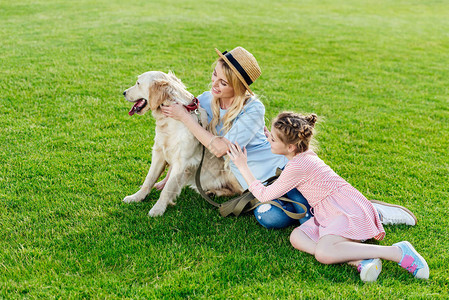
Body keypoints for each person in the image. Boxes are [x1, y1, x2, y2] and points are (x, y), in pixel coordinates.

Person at [160, 46, 416, 229]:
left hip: (280, 173)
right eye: (215, 75)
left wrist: (184, 116)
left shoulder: (253, 108)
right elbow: (194, 142)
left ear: (238, 88)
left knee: (311, 209)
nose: (214, 84)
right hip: (256, 186)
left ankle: (370, 211)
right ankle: (337, 212)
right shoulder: (206, 100)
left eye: (223, 82)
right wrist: (173, 175)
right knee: (269, 218)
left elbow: (218, 148)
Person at [227, 112, 429, 282]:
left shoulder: (297, 166)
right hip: (329, 211)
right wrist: (273, 137)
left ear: (290, 147)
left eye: (272, 138)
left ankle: (396, 252)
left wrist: (242, 165)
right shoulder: (301, 155)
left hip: (344, 211)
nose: (267, 139)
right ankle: (358, 260)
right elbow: (285, 151)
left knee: (323, 253)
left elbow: (264, 195)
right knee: (297, 237)